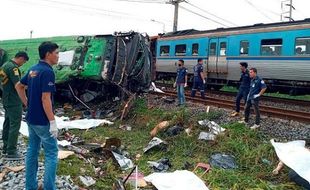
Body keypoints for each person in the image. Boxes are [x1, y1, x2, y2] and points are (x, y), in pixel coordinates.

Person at [16, 41, 59, 190]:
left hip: (31, 118)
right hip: (42, 120)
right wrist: (52, 122)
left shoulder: (33, 69)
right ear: (48, 54)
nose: (58, 56)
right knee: (52, 153)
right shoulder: (48, 72)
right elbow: (45, 98)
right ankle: (49, 188)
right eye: (57, 53)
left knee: (32, 150)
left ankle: (30, 187)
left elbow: (19, 86)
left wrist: (27, 104)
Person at [0, 51, 29, 160]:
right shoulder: (13, 68)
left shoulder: (5, 65)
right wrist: (25, 100)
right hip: (14, 100)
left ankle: (6, 147)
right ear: (21, 58)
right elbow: (18, 85)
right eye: (24, 62)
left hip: (6, 98)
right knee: (15, 124)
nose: (22, 64)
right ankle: (11, 151)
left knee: (7, 122)